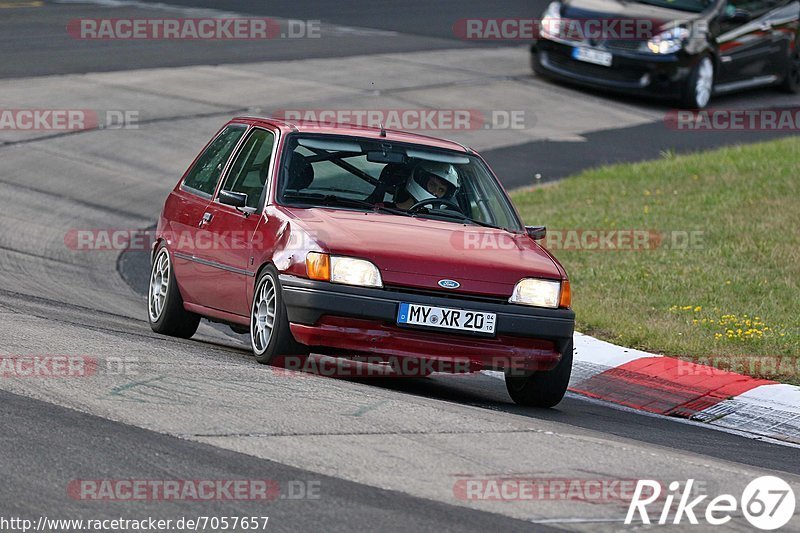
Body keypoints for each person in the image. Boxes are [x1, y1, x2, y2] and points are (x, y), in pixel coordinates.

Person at [394, 161, 460, 211]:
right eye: (433, 185)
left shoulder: (447, 221)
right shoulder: (385, 211)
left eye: (441, 190)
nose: (435, 192)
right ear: (421, 180)